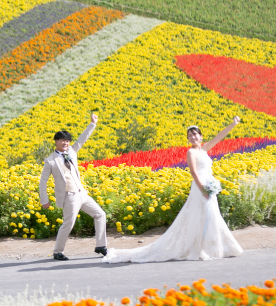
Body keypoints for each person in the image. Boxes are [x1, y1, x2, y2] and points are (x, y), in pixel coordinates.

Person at [102, 117, 244, 264]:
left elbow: (220, 136)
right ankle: (198, 247)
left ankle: (213, 247)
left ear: (201, 136)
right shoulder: (191, 152)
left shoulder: (205, 149)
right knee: (200, 215)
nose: (193, 137)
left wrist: (233, 124)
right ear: (188, 139)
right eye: (190, 136)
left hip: (209, 186)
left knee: (212, 214)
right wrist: (202, 189)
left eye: (195, 134)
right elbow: (194, 173)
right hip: (200, 187)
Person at [39, 113, 107, 261]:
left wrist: (93, 124)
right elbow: (42, 181)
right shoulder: (50, 161)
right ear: (56, 141)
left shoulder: (72, 152)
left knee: (100, 214)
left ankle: (101, 245)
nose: (66, 143)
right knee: (68, 224)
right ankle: (58, 251)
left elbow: (83, 139)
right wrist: (44, 199)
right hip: (69, 196)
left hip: (82, 193)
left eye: (68, 141)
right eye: (63, 140)